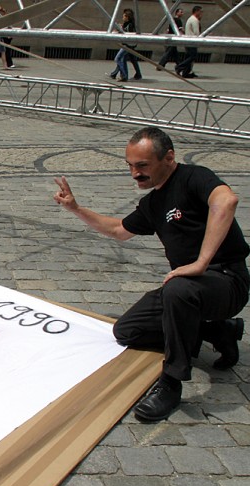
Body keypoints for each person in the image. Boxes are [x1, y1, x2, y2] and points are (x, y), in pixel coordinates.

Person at [53, 127, 249, 422]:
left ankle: (171, 383)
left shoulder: (194, 177)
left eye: (142, 165)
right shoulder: (153, 203)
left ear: (168, 158)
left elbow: (226, 201)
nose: (135, 174)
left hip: (226, 281)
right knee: (127, 331)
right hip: (185, 288)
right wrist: (76, 209)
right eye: (130, 166)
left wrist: (201, 262)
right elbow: (118, 230)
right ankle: (219, 332)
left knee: (178, 290)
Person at [108, 8, 142, 81]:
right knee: (126, 59)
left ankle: (123, 75)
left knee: (118, 58)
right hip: (129, 45)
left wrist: (120, 29)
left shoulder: (130, 25)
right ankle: (118, 75)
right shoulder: (128, 24)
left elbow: (127, 34)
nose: (122, 18)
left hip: (128, 45)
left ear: (127, 17)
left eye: (124, 16)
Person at [175, 5, 202, 78]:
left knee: (188, 56)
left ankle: (185, 72)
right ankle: (179, 67)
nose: (201, 13)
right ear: (196, 11)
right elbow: (196, 32)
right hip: (192, 41)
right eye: (200, 12)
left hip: (188, 40)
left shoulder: (190, 19)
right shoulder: (194, 20)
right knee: (193, 56)